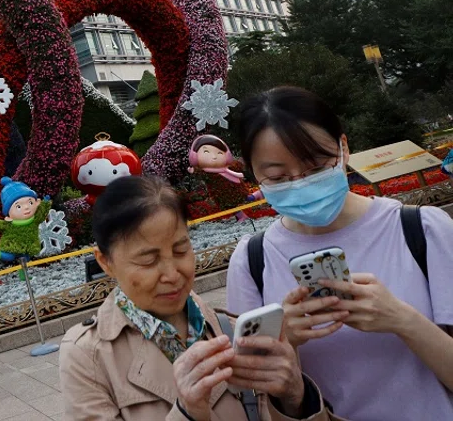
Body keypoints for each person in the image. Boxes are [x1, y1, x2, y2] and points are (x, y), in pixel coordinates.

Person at [227, 86, 453, 420]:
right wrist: (286, 344)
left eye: (316, 167)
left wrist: (401, 319)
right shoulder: (252, 261)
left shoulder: (423, 230)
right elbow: (254, 402)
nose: (301, 184)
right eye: (278, 177)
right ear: (254, 175)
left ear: (343, 148)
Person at [61, 175, 340, 420]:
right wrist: (187, 413)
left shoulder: (230, 328)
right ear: (106, 262)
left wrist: (295, 399)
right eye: (148, 261)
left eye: (181, 250)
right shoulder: (88, 356)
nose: (172, 273)